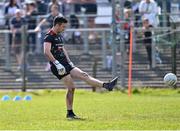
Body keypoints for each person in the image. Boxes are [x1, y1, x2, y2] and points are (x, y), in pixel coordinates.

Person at [43, 16, 119, 119]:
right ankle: (69, 113)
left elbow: (63, 50)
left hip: (66, 64)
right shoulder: (49, 36)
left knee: (84, 75)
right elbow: (46, 51)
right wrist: (57, 64)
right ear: (57, 25)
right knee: (72, 88)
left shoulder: (59, 35)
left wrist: (69, 62)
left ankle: (107, 85)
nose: (64, 28)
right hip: (58, 66)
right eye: (63, 26)